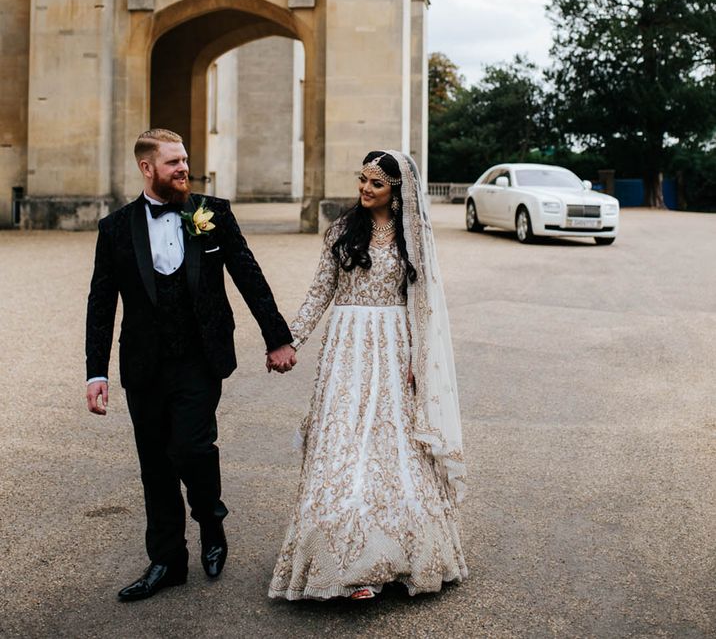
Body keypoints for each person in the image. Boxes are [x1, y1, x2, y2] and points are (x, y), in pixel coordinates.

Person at [85, 128, 296, 603]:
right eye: (173, 162)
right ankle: (167, 560)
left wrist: (277, 336)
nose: (184, 168)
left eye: (185, 160)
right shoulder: (115, 228)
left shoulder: (211, 214)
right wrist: (95, 372)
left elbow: (247, 272)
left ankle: (211, 523)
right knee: (155, 464)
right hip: (143, 365)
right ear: (147, 168)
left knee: (192, 447)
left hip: (200, 357)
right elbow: (101, 304)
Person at [269, 149, 467, 601]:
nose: (364, 189)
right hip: (346, 350)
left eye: (375, 184)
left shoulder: (411, 238)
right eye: (362, 180)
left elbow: (424, 305)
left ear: (395, 192)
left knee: (392, 446)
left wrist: (420, 360)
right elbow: (320, 291)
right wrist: (290, 340)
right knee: (342, 445)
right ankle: (344, 563)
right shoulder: (341, 231)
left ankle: (396, 558)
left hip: (394, 347)